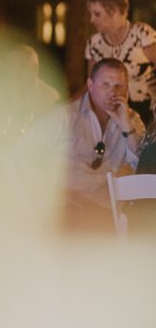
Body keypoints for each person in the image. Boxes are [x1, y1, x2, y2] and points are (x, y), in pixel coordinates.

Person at [15, 58, 143, 225]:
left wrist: (126, 126)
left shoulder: (132, 120)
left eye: (119, 86)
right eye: (105, 85)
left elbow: (142, 163)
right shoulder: (66, 115)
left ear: (127, 89)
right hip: (64, 207)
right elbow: (22, 150)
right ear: (90, 85)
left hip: (105, 209)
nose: (112, 92)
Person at [85, 0, 156, 124]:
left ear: (115, 11)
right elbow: (91, 87)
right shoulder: (94, 44)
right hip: (111, 121)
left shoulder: (142, 34)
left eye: (97, 14)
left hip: (148, 117)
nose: (91, 20)